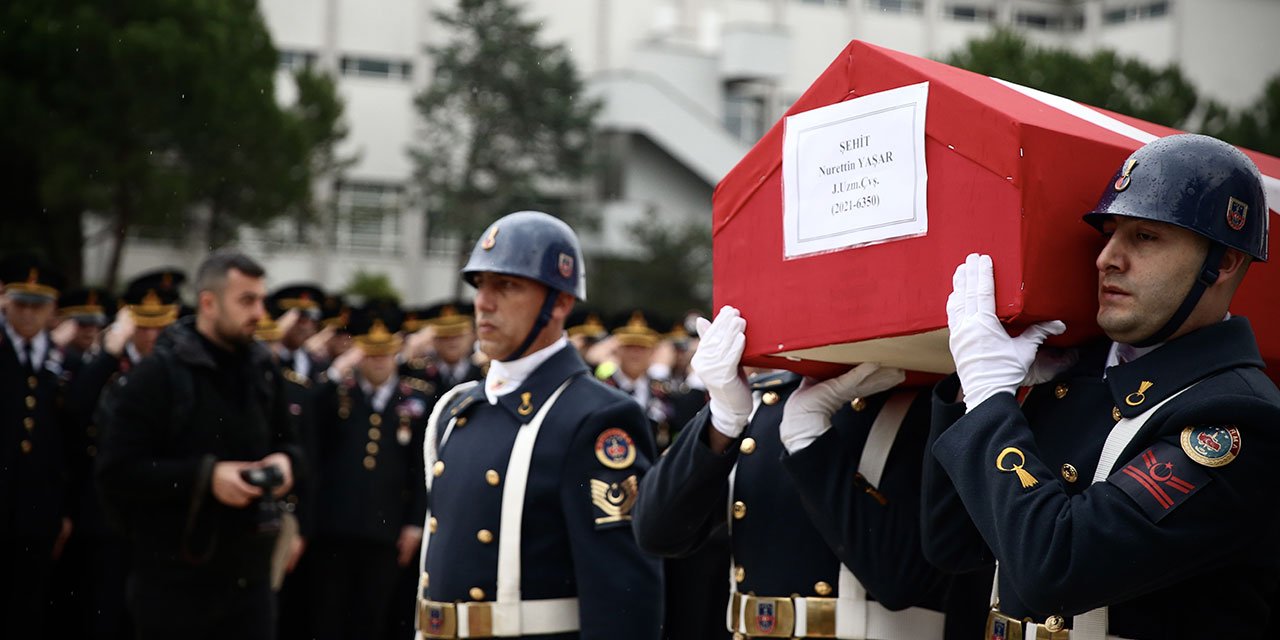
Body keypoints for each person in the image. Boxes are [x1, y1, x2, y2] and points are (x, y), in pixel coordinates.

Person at [923, 134, 1280, 639]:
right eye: (1109, 234)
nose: (1106, 258)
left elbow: (1058, 565)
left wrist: (990, 400)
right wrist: (971, 393)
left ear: (1221, 263)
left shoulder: (1236, 419)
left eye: (1145, 237)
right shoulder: (1083, 378)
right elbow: (952, 542)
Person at [633, 306, 991, 640]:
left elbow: (901, 581)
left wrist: (811, 443)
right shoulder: (768, 403)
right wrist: (722, 419)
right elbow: (657, 533)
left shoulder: (933, 405)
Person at [416, 210, 662, 639]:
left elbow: (624, 594)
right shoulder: (456, 409)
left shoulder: (596, 417)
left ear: (561, 302)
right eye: (480, 285)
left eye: (507, 285)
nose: (484, 302)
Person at [96, 249, 304, 640]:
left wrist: (286, 463)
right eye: (246, 300)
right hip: (175, 583)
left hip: (250, 582)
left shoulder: (262, 370)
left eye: (261, 299)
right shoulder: (157, 376)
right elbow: (117, 472)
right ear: (208, 302)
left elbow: (293, 446)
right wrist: (206, 477)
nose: (260, 312)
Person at [55, 278, 182, 639]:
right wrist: (111, 352)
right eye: (144, 325)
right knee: (103, 612)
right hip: (107, 513)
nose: (153, 334)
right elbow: (77, 411)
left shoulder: (178, 370)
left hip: (158, 514)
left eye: (160, 325)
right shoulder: (108, 366)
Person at [307, 304, 432, 640]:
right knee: (327, 616)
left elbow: (422, 468)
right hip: (334, 527)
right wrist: (337, 371)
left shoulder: (416, 399)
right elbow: (305, 416)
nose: (379, 360)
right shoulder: (339, 395)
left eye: (386, 353)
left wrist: (415, 523)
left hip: (386, 529)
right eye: (371, 353)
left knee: (373, 617)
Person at [0, 254, 71, 639]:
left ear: (52, 310)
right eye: (20, 304)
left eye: (38, 306)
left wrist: (64, 509)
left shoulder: (63, 361)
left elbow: (68, 440)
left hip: (39, 507)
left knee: (28, 604)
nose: (28, 315)